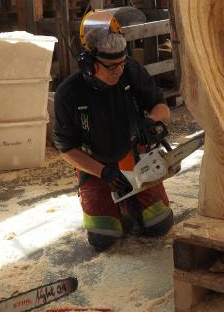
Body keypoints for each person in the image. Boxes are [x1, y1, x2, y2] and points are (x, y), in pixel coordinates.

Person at [53, 30, 173, 251]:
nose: (119, 70)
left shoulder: (131, 70)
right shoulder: (68, 93)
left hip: (135, 158)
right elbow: (66, 149)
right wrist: (104, 172)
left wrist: (151, 122)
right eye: (111, 66)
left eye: (122, 63)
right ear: (90, 64)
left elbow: (162, 108)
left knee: (159, 224)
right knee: (103, 238)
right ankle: (110, 203)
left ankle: (129, 204)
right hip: (95, 164)